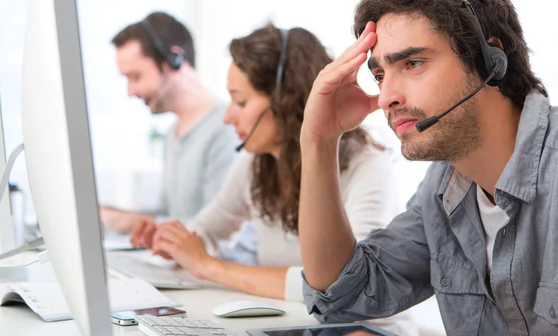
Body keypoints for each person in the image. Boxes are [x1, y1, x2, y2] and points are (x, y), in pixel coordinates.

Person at [299, 0, 558, 335]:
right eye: (379, 75)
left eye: (412, 63)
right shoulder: (443, 188)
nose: (386, 98)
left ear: (491, 61)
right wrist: (318, 141)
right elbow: (344, 295)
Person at [131, 24, 417, 335]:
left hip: (362, 330)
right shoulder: (256, 165)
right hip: (296, 326)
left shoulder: (367, 165)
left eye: (240, 102)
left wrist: (210, 266)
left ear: (284, 99)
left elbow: (344, 286)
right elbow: (208, 230)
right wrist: (172, 241)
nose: (228, 117)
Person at [100, 12, 239, 233]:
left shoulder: (229, 128)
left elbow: (220, 230)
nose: (131, 91)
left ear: (174, 61)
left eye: (136, 77)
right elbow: (171, 216)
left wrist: (130, 223)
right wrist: (116, 216)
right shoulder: (172, 135)